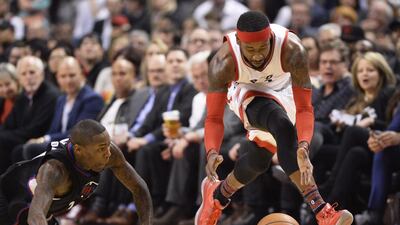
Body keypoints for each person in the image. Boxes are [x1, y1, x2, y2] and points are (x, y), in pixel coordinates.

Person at [195, 11, 353, 225]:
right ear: (239, 42)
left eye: (262, 47)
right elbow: (213, 117)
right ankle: (322, 210)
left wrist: (304, 147)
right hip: (245, 89)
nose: (257, 55)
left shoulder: (292, 49)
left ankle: (217, 196)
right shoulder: (223, 61)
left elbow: (305, 108)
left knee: (258, 161)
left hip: (283, 89)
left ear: (270, 38)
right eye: (250, 49)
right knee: (282, 126)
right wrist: (212, 150)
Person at [0, 119, 153, 225]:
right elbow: (35, 216)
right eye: (101, 148)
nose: (108, 153)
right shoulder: (55, 170)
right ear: (78, 150)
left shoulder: (109, 153)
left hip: (36, 210)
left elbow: (139, 188)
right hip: (9, 200)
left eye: (108, 145)